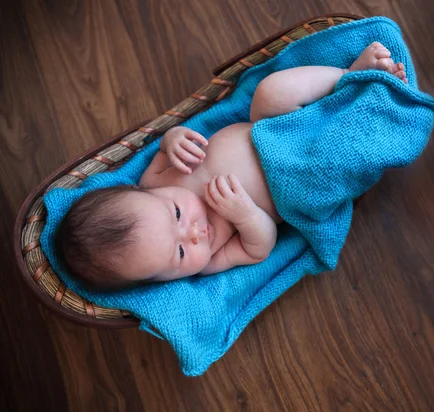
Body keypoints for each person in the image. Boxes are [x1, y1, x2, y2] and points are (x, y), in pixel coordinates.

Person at [56, 42, 409, 290]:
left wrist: (175, 139)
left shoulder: (156, 176)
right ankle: (378, 114)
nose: (194, 233)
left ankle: (349, 76)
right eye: (179, 253)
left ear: (142, 190)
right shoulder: (210, 260)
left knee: (271, 92)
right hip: (295, 182)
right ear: (158, 281)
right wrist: (244, 215)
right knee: (334, 166)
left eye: (176, 214)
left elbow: (166, 140)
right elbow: (261, 246)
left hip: (271, 126)